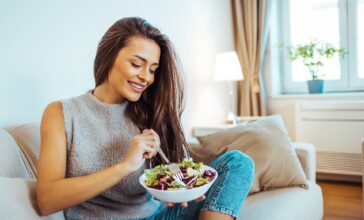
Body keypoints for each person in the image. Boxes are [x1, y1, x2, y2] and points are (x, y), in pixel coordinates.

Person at [36, 17, 254, 220]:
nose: (146, 77)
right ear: (108, 56)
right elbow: (47, 200)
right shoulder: (62, 114)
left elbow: (164, 181)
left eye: (152, 69)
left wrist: (182, 188)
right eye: (137, 64)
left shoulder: (149, 112)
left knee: (238, 163)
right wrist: (125, 166)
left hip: (156, 215)